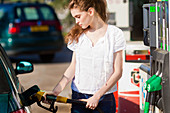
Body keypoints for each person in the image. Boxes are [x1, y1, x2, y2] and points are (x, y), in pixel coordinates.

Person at [44, 0, 126, 112]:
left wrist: (97, 96)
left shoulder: (114, 34)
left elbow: (118, 72)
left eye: (78, 16)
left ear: (90, 11)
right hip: (79, 96)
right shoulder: (78, 35)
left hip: (105, 98)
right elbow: (73, 67)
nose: (76, 21)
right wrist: (55, 91)